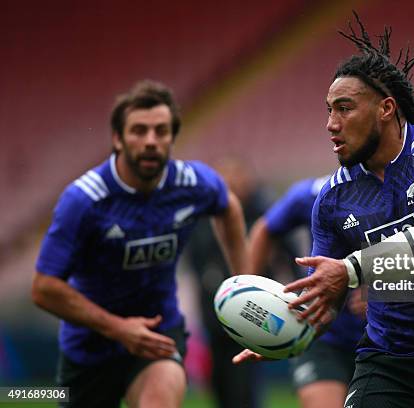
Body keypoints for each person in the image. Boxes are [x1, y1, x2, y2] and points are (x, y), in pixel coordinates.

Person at [235, 13, 414, 408]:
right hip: (387, 358)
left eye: (345, 108)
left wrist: (351, 269)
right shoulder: (332, 197)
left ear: (385, 108)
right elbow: (326, 296)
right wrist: (284, 330)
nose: (331, 124)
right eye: (329, 110)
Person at [31, 80, 250, 408]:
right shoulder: (84, 200)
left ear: (172, 138)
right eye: (139, 130)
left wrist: (245, 285)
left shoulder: (192, 183)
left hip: (159, 336)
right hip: (89, 349)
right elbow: (44, 287)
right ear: (118, 139)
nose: (151, 141)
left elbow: (228, 207)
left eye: (161, 131)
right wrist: (118, 328)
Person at [184, 156, 293, 408]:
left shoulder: (265, 216)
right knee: (219, 384)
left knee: (245, 386)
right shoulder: (202, 219)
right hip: (212, 314)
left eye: (238, 174)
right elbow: (194, 263)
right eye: (226, 175)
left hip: (253, 312)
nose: (233, 181)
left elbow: (289, 256)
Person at [248, 175, 366, 408]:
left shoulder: (408, 191)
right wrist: (249, 289)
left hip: (385, 338)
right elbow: (264, 229)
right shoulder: (312, 193)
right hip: (320, 333)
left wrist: (386, 288)